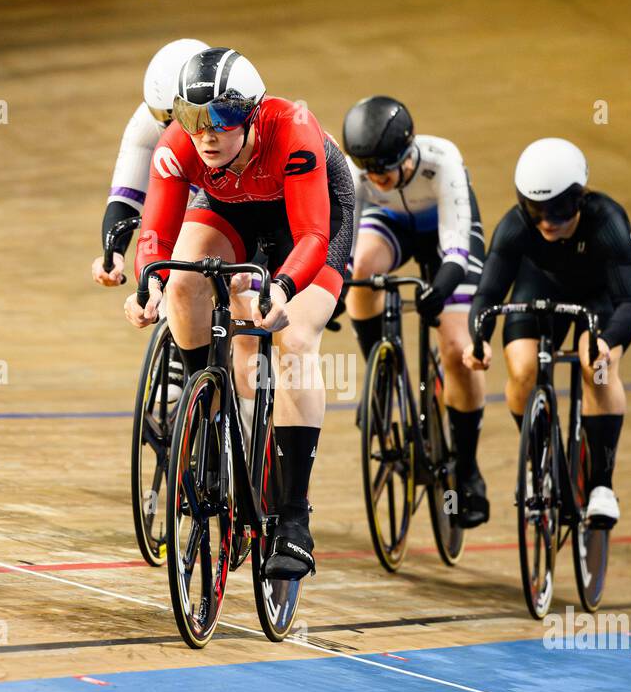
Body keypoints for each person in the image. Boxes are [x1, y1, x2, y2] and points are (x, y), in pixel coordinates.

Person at [122, 47, 355, 581]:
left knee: (293, 340)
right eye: (192, 118)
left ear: (250, 115)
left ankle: (294, 519)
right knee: (183, 282)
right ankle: (205, 409)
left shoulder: (292, 128)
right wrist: (148, 286)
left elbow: (314, 235)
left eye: (222, 119)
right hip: (233, 206)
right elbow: (156, 236)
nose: (205, 133)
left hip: (309, 214)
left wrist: (284, 287)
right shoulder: (181, 146)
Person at [466, 138, 631, 527]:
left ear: (579, 199)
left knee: (596, 366)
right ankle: (539, 458)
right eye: (538, 212)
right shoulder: (515, 226)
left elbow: (629, 304)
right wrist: (478, 339)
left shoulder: (608, 222)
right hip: (542, 285)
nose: (548, 222)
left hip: (602, 295)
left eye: (559, 213)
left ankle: (601, 485)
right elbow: (489, 293)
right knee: (522, 368)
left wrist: (606, 343)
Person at [341, 96, 490, 527]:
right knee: (363, 274)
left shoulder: (443, 160)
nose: (377, 180)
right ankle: (383, 380)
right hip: (391, 226)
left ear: (408, 157)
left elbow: (458, 246)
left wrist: (440, 289)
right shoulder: (357, 172)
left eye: (384, 173)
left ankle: (468, 470)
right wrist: (335, 286)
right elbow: (344, 246)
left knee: (458, 349)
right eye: (370, 174)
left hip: (445, 236)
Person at [91, 38, 208, 286]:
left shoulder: (231, 129)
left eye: (183, 117)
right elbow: (124, 200)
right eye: (165, 118)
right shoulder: (145, 122)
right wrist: (114, 255)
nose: (172, 129)